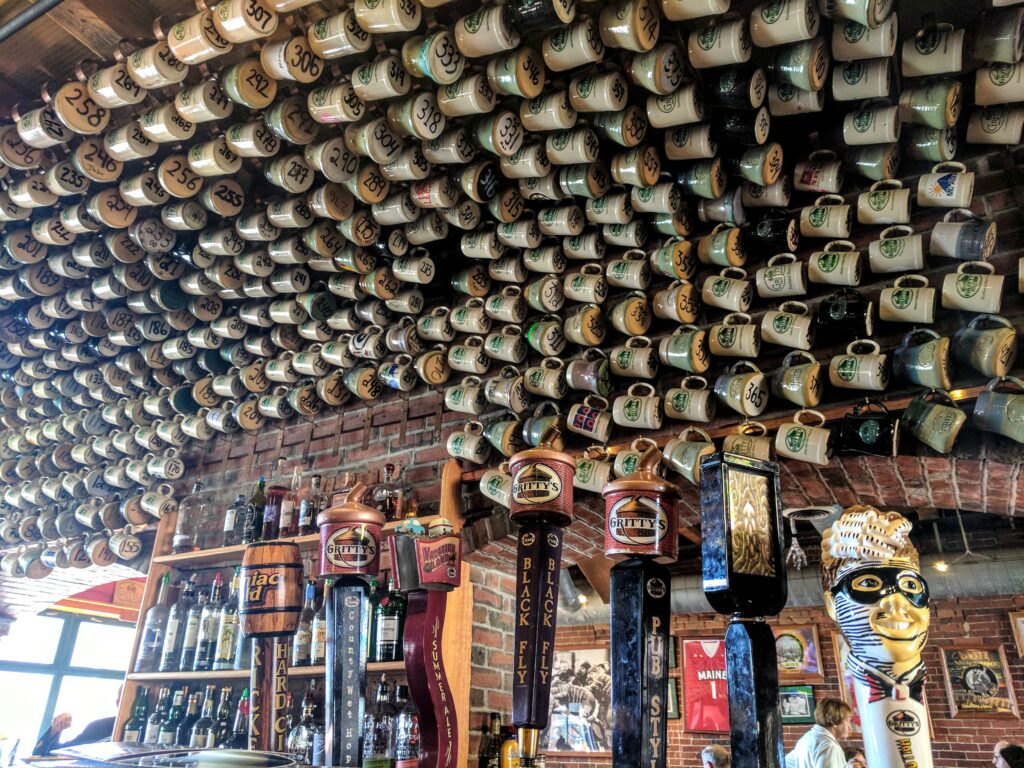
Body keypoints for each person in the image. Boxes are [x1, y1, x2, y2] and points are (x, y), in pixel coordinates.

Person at [784, 698, 852, 768]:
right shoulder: (828, 745)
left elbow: (785, 763)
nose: (850, 727)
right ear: (834, 720)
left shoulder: (807, 737)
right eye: (848, 720)